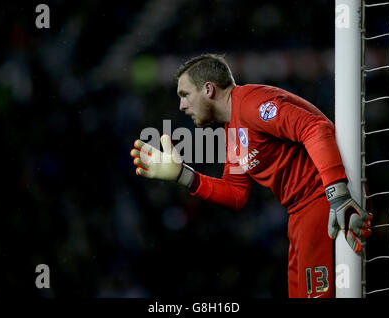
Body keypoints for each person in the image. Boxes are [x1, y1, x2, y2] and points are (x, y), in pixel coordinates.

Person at [130, 53, 372, 298]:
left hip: (324, 201)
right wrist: (183, 175)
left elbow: (314, 128)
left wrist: (337, 195)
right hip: (300, 214)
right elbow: (236, 192)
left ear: (208, 89)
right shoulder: (233, 131)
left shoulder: (251, 105)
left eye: (185, 95)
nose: (182, 105)